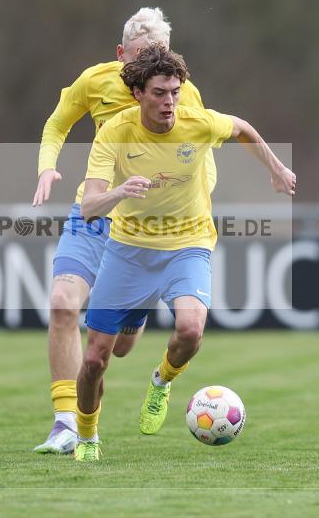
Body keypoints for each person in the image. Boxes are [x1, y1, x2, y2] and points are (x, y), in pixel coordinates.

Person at [73, 45, 296, 461]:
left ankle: (161, 382)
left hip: (187, 245)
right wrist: (121, 191)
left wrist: (276, 168)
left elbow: (243, 128)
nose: (170, 102)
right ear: (137, 93)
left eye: (175, 91)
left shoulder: (196, 122)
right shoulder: (115, 133)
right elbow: (88, 208)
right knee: (95, 360)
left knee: (192, 330)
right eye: (159, 93)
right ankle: (86, 438)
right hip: (128, 251)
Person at [31, 8, 211, 454]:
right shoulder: (96, 80)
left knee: (121, 349)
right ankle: (65, 424)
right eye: (139, 60)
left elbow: (203, 157)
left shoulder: (181, 94)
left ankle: (139, 316)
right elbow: (57, 122)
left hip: (145, 230)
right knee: (61, 304)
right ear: (120, 56)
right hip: (93, 213)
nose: (151, 70)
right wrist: (47, 168)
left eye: (160, 57)